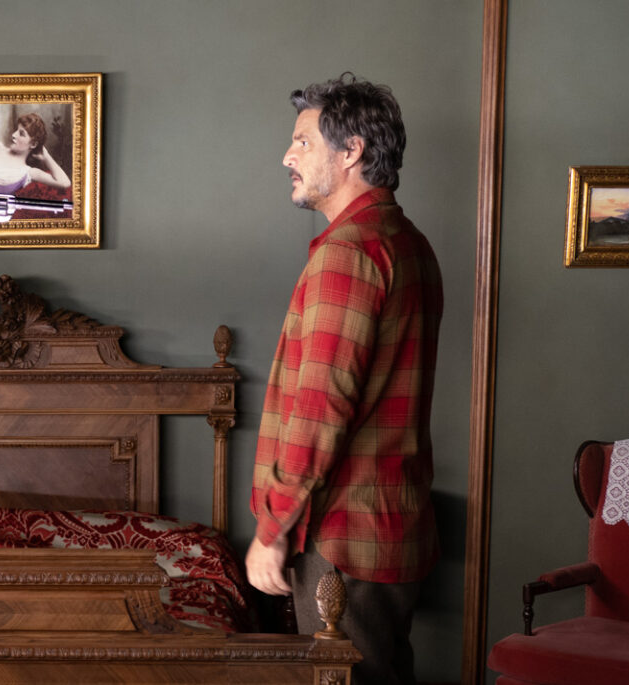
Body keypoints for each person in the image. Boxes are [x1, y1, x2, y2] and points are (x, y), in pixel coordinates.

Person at [245, 73, 442, 685]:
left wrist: (272, 528)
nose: (287, 156)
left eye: (302, 142)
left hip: (344, 537)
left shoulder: (350, 252)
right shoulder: (404, 241)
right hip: (385, 525)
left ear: (351, 150)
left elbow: (318, 410)